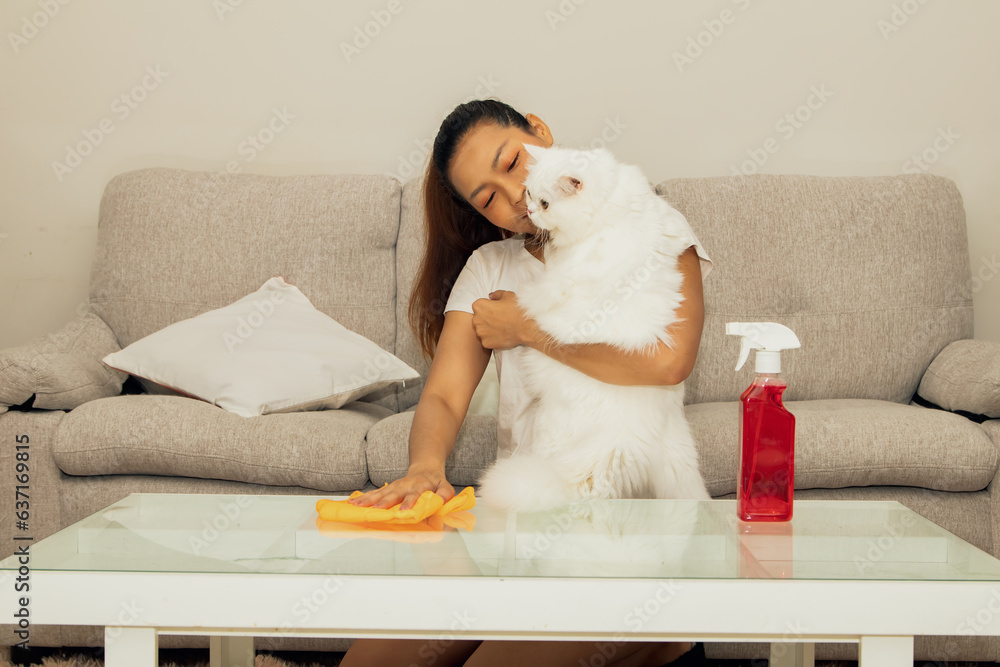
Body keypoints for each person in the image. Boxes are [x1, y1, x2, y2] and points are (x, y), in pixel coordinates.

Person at [339, 98, 713, 667]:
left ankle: (664, 639)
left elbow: (668, 362)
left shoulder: (651, 226)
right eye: (487, 197)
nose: (513, 195)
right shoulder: (491, 267)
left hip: (622, 539)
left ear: (539, 131)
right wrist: (424, 468)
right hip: (520, 534)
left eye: (512, 162)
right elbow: (442, 394)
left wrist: (530, 330)